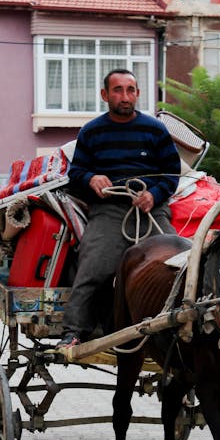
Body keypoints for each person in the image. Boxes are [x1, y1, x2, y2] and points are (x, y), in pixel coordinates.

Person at [57, 69, 181, 347]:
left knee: (175, 265)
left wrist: (154, 194)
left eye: (130, 90)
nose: (125, 97)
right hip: (109, 211)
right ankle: (74, 331)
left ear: (137, 94)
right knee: (93, 266)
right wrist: (91, 178)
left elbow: (171, 174)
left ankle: (174, 329)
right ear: (105, 95)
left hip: (151, 211)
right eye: (118, 90)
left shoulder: (155, 130)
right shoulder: (92, 132)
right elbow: (76, 174)